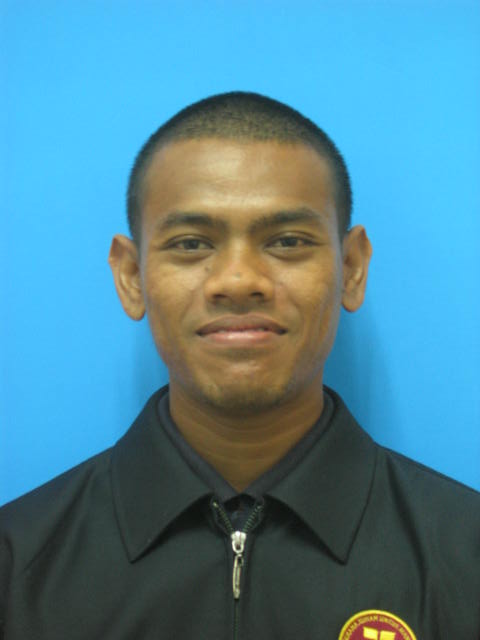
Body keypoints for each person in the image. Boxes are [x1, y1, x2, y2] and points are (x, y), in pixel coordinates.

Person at [0, 92, 479, 640]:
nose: (238, 280)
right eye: (191, 244)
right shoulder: (18, 564)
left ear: (351, 268)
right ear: (131, 276)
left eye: (287, 241)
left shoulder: (465, 554)